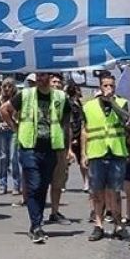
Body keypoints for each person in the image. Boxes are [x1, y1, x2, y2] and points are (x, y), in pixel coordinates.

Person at [1, 72, 70, 243]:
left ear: (49, 77)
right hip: (29, 147)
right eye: (37, 76)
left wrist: (67, 149)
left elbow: (66, 123)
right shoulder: (26, 94)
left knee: (43, 186)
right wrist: (15, 128)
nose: (39, 79)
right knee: (34, 184)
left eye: (42, 75)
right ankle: (36, 225)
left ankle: (36, 223)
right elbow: (4, 109)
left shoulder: (61, 97)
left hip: (51, 148)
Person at [82, 74, 130, 241]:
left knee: (115, 192)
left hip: (116, 152)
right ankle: (98, 225)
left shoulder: (122, 103)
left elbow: (126, 119)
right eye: (105, 86)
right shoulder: (89, 106)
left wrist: (112, 102)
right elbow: (85, 131)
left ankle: (118, 225)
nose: (108, 88)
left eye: (111, 86)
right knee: (97, 192)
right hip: (97, 153)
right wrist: (84, 153)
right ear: (100, 87)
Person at [47, 73, 72, 226]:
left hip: (60, 146)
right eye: (53, 81)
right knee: (41, 182)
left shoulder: (64, 100)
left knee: (58, 182)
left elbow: (67, 125)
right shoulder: (39, 98)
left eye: (58, 82)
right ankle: (37, 214)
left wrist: (69, 149)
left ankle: (54, 211)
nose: (56, 84)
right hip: (42, 145)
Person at [0, 78, 20, 196]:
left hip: (14, 130)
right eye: (5, 86)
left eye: (10, 86)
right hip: (2, 131)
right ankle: (2, 184)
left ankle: (16, 185)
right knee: (3, 157)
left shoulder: (17, 99)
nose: (7, 89)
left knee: (14, 158)